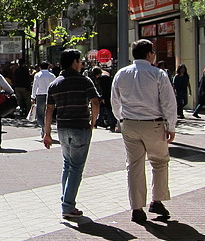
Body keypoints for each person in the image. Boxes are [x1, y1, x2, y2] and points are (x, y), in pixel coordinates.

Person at [110, 39, 177, 223]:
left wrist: (120, 119)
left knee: (134, 166)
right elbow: (168, 102)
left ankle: (137, 208)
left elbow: (115, 101)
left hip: (130, 123)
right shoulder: (158, 74)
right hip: (153, 124)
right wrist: (171, 126)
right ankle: (157, 200)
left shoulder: (121, 74)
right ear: (149, 54)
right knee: (160, 162)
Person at [42, 50, 100, 219]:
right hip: (80, 127)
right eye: (80, 61)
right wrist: (93, 122)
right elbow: (95, 102)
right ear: (75, 62)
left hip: (62, 128)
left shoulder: (55, 84)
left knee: (67, 164)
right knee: (76, 168)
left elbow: (49, 110)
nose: (81, 64)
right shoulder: (84, 81)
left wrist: (47, 133)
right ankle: (68, 205)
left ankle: (66, 198)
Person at [31, 61, 57, 137]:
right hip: (50, 95)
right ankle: (46, 128)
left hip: (40, 95)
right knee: (48, 113)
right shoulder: (52, 75)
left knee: (39, 115)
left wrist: (33, 96)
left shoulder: (38, 75)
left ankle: (44, 127)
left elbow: (35, 86)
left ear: (40, 67)